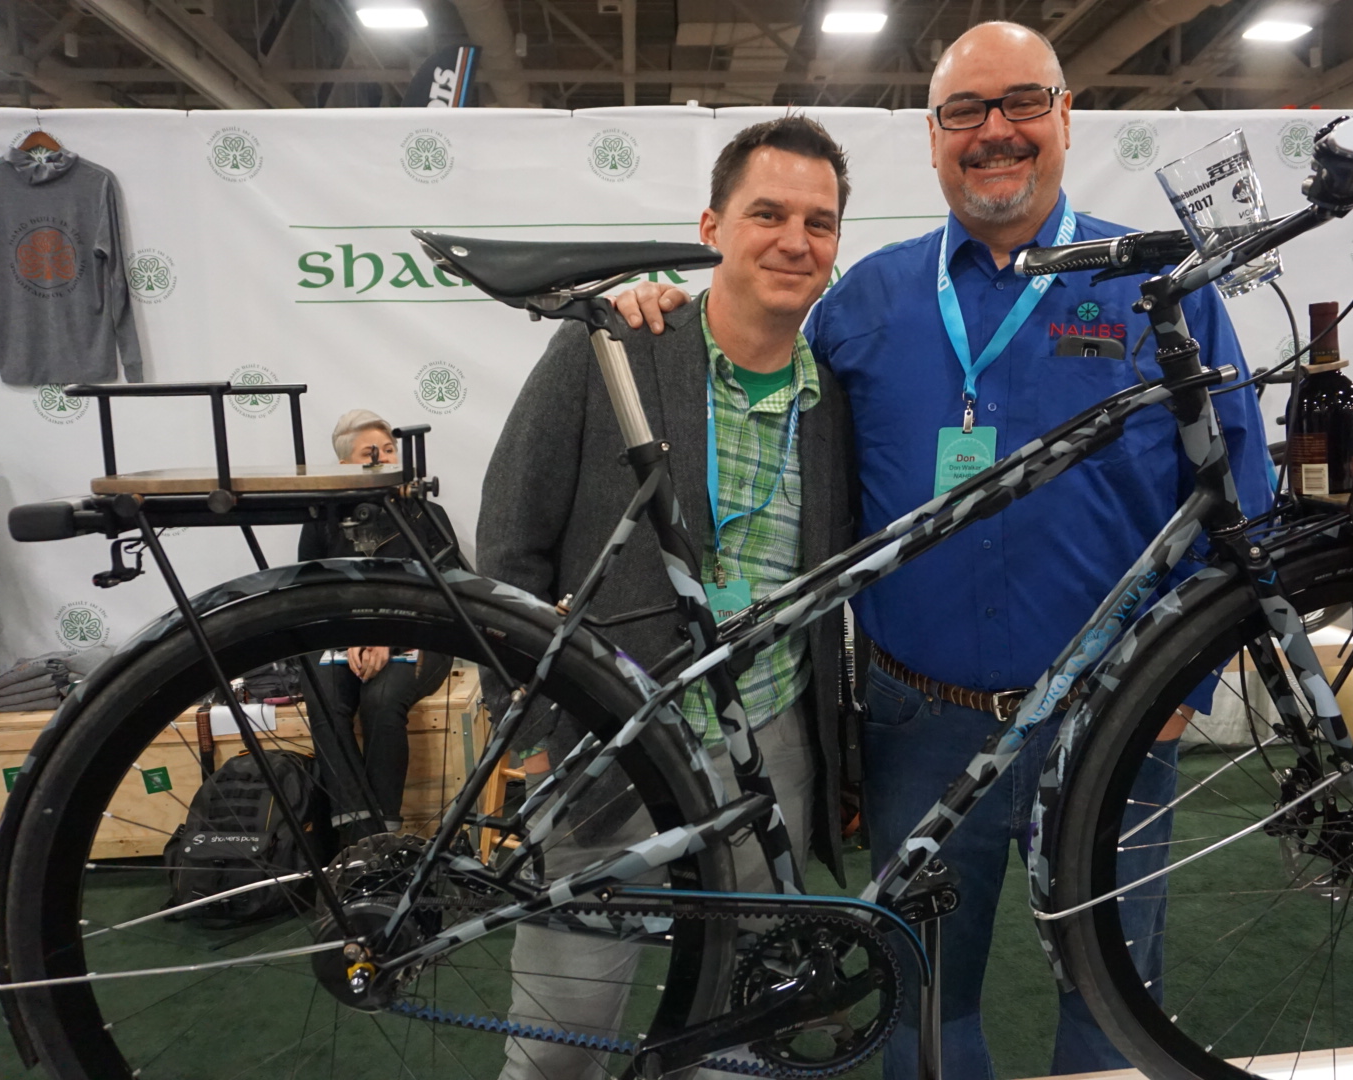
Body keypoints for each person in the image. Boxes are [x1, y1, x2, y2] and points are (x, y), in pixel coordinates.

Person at [616, 22, 1272, 1078]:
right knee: (922, 994)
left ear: (1063, 119)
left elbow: (1235, 489)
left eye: (1020, 103)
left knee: (1110, 995)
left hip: (1113, 719)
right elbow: (749, 355)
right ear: (931, 138)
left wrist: (1181, 683)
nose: (994, 132)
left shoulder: (1157, 287)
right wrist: (659, 310)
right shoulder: (866, 300)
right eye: (965, 111)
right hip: (917, 719)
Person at [476, 115, 858, 1080]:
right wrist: (515, 712)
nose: (793, 239)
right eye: (767, 212)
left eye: (819, 221)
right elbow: (512, 536)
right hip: (611, 735)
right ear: (711, 226)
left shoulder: (838, 397)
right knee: (563, 1038)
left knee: (732, 1039)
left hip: (770, 739)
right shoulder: (614, 347)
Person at [299, 409, 461, 838]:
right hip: (344, 640)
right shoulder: (322, 518)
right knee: (324, 699)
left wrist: (389, 634)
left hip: (419, 635)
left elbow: (450, 591)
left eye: (389, 450)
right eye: (372, 454)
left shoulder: (426, 513)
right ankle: (358, 834)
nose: (386, 460)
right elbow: (310, 593)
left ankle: (385, 836)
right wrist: (352, 633)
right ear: (344, 466)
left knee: (381, 701)